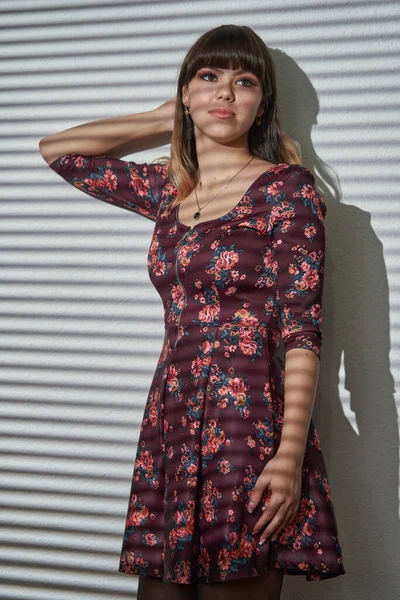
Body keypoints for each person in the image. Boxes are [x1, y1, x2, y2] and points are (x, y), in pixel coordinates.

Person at [39, 23, 345, 600]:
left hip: (251, 420)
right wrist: (163, 119)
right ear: (185, 92)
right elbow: (58, 151)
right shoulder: (168, 190)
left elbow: (303, 329)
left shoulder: (287, 189)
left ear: (261, 105)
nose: (225, 93)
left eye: (244, 82)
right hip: (172, 417)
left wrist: (289, 454)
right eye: (208, 78)